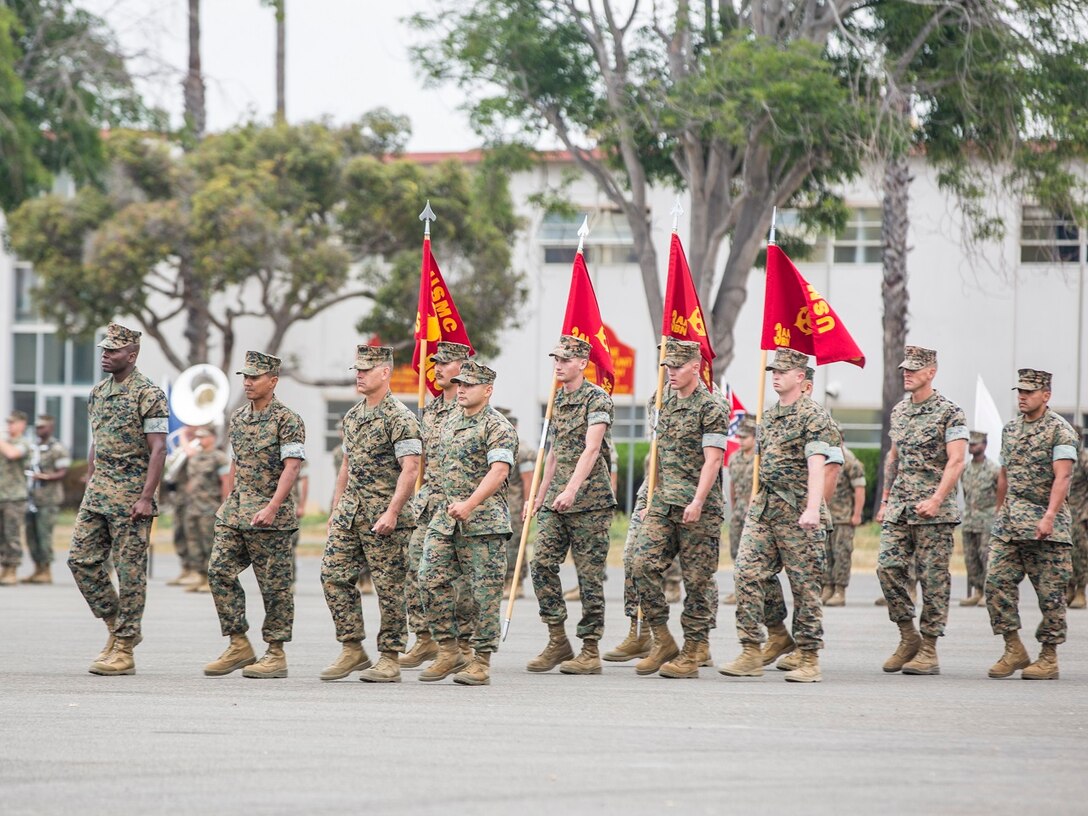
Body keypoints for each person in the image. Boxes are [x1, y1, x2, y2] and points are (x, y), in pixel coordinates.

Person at [719, 348, 835, 683]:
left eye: (783, 371)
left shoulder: (814, 417)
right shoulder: (767, 417)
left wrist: (813, 508)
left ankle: (809, 657)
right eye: (774, 370)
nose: (775, 375)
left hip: (799, 512)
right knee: (747, 573)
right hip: (766, 509)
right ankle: (752, 649)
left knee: (805, 586)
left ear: (801, 377)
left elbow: (818, 465)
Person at [68, 323, 168, 675]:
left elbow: (158, 449)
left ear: (132, 354)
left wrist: (146, 497)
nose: (106, 355)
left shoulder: (148, 394)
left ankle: (124, 648)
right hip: (98, 493)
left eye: (113, 351)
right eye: (104, 350)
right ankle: (115, 624)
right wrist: (91, 474)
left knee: (130, 572)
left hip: (131, 497)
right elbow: (98, 437)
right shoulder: (98, 392)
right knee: (80, 560)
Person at [320, 345, 421, 683]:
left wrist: (393, 512)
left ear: (385, 373)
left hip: (385, 518)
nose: (359, 375)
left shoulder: (400, 418)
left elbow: (410, 469)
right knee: (332, 576)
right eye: (357, 370)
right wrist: (335, 509)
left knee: (389, 588)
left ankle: (390, 656)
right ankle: (352, 647)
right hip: (350, 514)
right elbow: (345, 467)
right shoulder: (352, 417)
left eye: (366, 369)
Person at [203, 351, 304, 679]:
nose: (247, 382)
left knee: (274, 587)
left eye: (254, 377)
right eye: (245, 377)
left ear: (272, 381)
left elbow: (292, 467)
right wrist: (227, 500)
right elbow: (236, 462)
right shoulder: (239, 417)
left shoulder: (287, 419)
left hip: (270, 517)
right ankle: (238, 643)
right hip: (236, 512)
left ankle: (275, 653)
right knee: (218, 572)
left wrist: (273, 507)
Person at [631, 338, 727, 679]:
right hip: (663, 501)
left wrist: (698, 501)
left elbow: (713, 460)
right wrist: (650, 499)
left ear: (695, 367)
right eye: (667, 366)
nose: (670, 372)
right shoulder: (662, 400)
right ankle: (663, 638)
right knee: (639, 563)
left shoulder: (711, 407)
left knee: (697, 579)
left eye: (677, 366)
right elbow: (658, 454)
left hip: (698, 506)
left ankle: (692, 651)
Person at [418, 360, 517, 686]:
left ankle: (481, 660)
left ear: (487, 390)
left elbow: (499, 471)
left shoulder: (497, 427)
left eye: (469, 385)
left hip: (483, 523)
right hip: (445, 519)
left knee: (483, 594)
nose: (461, 389)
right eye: (459, 383)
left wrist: (471, 503)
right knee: (428, 578)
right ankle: (448, 649)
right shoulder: (447, 422)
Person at [527, 335, 616, 675]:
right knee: (541, 565)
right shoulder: (557, 400)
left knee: (588, 576)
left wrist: (572, 490)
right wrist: (541, 494)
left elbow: (591, 449)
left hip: (589, 502)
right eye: (556, 359)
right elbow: (555, 452)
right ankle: (556, 638)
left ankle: (590, 648)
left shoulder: (597, 399)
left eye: (565, 360)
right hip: (556, 501)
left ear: (582, 363)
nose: (558, 365)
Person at [876, 346, 968, 676]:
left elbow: (956, 461)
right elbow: (893, 458)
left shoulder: (950, 412)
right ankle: (908, 636)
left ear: (932, 372)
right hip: (900, 506)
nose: (907, 373)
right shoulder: (900, 411)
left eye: (915, 369)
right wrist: (885, 501)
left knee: (933, 580)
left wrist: (937, 499)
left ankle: (929, 648)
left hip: (934, 511)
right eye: (905, 368)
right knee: (887, 567)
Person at [985, 369, 1077, 680]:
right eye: (1019, 391)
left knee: (1050, 595)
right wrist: (999, 512)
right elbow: (1004, 474)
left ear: (1046, 395)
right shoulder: (1010, 429)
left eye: (1029, 392)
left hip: (1045, 527)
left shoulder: (1060, 431)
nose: (1022, 396)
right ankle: (1013, 648)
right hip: (1010, 525)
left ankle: (1048, 657)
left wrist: (1050, 515)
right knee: (995, 583)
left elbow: (1062, 476)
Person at [401, 341, 473, 669]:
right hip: (431, 505)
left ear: (463, 366)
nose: (438, 368)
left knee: (462, 578)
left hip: (463, 506)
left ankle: (465, 644)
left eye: (445, 363)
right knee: (417, 568)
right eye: (436, 363)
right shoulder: (431, 408)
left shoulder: (471, 407)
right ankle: (426, 638)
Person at [21, 415, 71, 584]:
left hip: (49, 499)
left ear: (50, 428)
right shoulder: (34, 448)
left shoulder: (57, 448)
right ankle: (37, 569)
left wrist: (45, 477)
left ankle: (46, 570)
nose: (38, 430)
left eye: (42, 427)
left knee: (44, 535)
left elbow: (63, 472)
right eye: (37, 427)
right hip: (31, 498)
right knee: (31, 535)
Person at [182, 427, 229, 594]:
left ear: (213, 438)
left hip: (209, 506)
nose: (200, 440)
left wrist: (225, 505)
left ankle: (210, 580)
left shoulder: (219, 458)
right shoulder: (195, 457)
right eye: (198, 437)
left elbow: (225, 482)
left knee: (208, 543)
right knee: (193, 543)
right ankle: (200, 576)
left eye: (204, 436)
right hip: (193, 506)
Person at [824, 433, 866, 607]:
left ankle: (840, 591)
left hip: (844, 518)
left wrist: (857, 514)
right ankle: (827, 587)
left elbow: (860, 489)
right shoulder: (823, 459)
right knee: (825, 554)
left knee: (842, 555)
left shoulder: (850, 462)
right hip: (826, 517)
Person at [959, 431, 1000, 607]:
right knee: (971, 557)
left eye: (975, 444)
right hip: (969, 520)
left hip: (987, 520)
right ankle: (977, 591)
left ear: (984, 446)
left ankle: (988, 592)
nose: (972, 447)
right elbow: (967, 493)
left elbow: (1001, 494)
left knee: (986, 556)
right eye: (970, 444)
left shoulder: (993, 469)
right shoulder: (965, 469)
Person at [500, 408, 534, 600]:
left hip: (515, 505)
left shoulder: (522, 450)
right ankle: (504, 581)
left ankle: (515, 582)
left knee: (514, 545)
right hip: (497, 504)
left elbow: (528, 480)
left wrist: (527, 505)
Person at [722, 418, 756, 605]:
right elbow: (733, 485)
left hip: (754, 511)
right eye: (739, 437)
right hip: (739, 512)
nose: (741, 440)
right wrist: (734, 508)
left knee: (751, 553)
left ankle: (750, 592)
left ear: (754, 438)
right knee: (736, 552)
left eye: (745, 437)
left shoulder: (759, 459)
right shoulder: (734, 458)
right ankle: (738, 589)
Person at [0, 410, 32, 586]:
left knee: (12, 535)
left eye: (13, 422)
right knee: (1, 536)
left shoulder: (24, 443)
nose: (9, 426)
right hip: (1, 495)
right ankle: (4, 567)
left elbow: (13, 454)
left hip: (15, 497)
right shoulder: (5, 442)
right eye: (8, 422)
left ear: (22, 424)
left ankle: (12, 569)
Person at [165, 425, 199, 587]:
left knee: (191, 533)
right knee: (179, 533)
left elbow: (191, 455)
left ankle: (195, 570)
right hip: (178, 496)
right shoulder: (182, 446)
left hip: (193, 498)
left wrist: (184, 437)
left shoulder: (199, 443)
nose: (187, 427)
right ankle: (185, 568)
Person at [1065, 428, 1087, 610]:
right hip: (1063, 513)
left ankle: (1081, 590)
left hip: (1080, 514)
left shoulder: (1083, 459)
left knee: (1079, 554)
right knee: (1064, 554)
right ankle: (1069, 588)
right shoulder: (1063, 458)